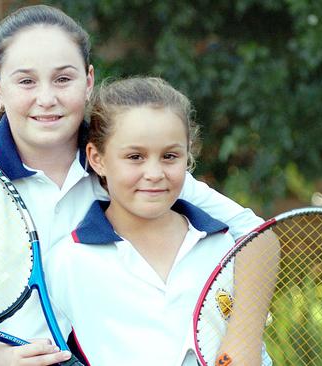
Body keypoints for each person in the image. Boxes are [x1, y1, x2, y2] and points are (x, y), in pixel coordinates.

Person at [0, 5, 264, 366]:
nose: (47, 98)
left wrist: (241, 344)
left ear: (88, 81)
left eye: (63, 78)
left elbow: (256, 237)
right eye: (26, 81)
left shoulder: (130, 164)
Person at [44, 76, 272, 365]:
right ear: (97, 158)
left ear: (188, 155)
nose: (154, 173)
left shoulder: (224, 245)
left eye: (169, 156)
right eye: (135, 156)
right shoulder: (66, 262)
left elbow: (250, 351)